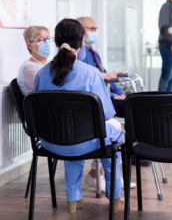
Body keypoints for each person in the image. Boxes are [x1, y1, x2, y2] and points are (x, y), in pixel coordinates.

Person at [34, 18, 124, 214]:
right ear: (82, 40)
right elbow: (107, 113)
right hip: (82, 142)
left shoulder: (41, 74)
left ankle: (73, 198)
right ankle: (115, 196)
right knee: (113, 136)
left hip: (49, 142)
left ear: (56, 41)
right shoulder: (91, 74)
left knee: (71, 133)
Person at [76, 16, 139, 189]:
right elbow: (89, 88)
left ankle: (139, 151)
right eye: (91, 29)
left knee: (135, 104)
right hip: (96, 103)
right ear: (80, 31)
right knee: (132, 110)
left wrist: (120, 94)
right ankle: (134, 153)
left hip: (105, 98)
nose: (94, 32)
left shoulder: (93, 53)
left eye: (96, 29)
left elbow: (104, 78)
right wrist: (113, 97)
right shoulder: (79, 57)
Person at [17, 26, 53, 95]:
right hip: (42, 104)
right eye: (41, 39)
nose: (47, 42)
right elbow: (48, 90)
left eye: (48, 38)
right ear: (30, 46)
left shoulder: (49, 64)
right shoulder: (29, 68)